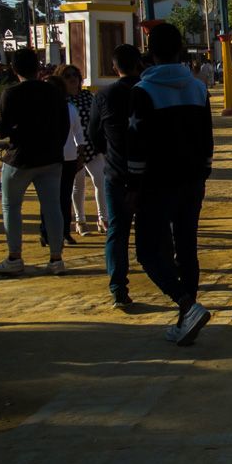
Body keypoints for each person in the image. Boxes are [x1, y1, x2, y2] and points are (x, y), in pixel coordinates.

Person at [129, 24, 214, 346]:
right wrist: (203, 172)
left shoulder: (143, 91)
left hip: (157, 183)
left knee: (148, 251)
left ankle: (185, 304)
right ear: (181, 50)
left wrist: (133, 186)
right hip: (192, 180)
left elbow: (137, 145)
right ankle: (185, 317)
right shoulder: (198, 88)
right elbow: (207, 138)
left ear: (150, 53)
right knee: (187, 247)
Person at [0, 47, 69, 276]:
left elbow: (0, 131)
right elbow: (64, 126)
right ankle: (56, 258)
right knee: (52, 207)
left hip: (20, 159)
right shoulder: (53, 91)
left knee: (11, 206)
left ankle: (14, 256)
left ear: (14, 69)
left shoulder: (11, 93)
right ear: (38, 67)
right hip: (51, 158)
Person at [88, 44, 144, 308]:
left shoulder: (104, 95)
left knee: (117, 231)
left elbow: (94, 134)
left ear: (114, 67)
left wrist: (110, 151)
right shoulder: (147, 91)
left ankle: (118, 287)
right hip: (147, 173)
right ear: (138, 64)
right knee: (153, 229)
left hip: (116, 170)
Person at [55, 64, 107, 236]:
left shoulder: (88, 96)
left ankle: (103, 218)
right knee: (78, 185)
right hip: (72, 148)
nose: (72, 78)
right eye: (67, 76)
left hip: (92, 146)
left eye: (75, 75)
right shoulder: (61, 101)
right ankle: (80, 220)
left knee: (101, 180)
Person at [41, 74, 86, 251]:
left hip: (66, 158)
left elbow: (78, 133)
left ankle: (63, 231)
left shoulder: (69, 108)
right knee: (52, 197)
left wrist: (80, 154)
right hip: (51, 158)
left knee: (62, 197)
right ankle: (47, 232)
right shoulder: (45, 108)